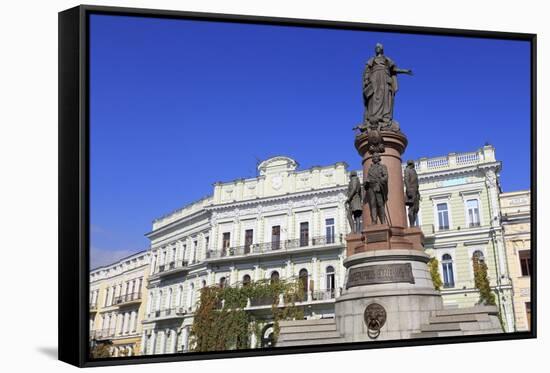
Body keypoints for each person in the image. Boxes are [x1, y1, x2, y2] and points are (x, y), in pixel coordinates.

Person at [363, 43, 412, 127]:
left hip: (385, 79)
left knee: (385, 97)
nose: (377, 48)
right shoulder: (372, 59)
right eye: (376, 47)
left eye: (379, 47)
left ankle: (384, 117)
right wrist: (366, 80)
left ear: (382, 49)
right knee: (374, 97)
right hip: (374, 80)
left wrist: (405, 71)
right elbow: (367, 71)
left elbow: (394, 69)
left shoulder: (387, 59)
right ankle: (374, 118)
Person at [364, 153, 388, 224]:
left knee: (380, 204)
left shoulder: (382, 167)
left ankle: (383, 221)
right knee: (372, 204)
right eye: (373, 157)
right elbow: (368, 178)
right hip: (371, 188)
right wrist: (366, 182)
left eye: (376, 157)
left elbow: (386, 177)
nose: (374, 158)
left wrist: (380, 182)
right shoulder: (370, 169)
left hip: (378, 187)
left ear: (379, 158)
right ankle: (374, 221)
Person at [404, 160, 420, 227]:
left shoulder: (414, 171)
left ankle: (413, 223)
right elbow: (406, 180)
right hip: (411, 190)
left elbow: (416, 183)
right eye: (412, 163)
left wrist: (418, 192)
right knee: (412, 208)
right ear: (411, 164)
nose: (413, 164)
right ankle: (412, 225)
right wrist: (408, 190)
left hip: (415, 191)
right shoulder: (407, 170)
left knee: (416, 209)